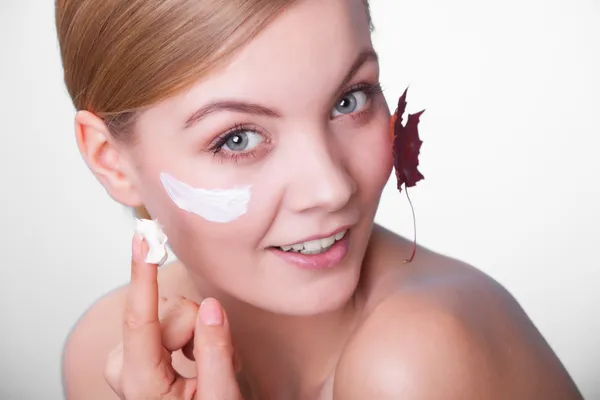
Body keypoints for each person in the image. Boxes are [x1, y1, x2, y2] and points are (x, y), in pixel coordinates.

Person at [56, 0, 583, 398]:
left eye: (349, 100)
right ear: (111, 159)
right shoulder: (110, 362)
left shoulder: (412, 361)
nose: (332, 188)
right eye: (237, 138)